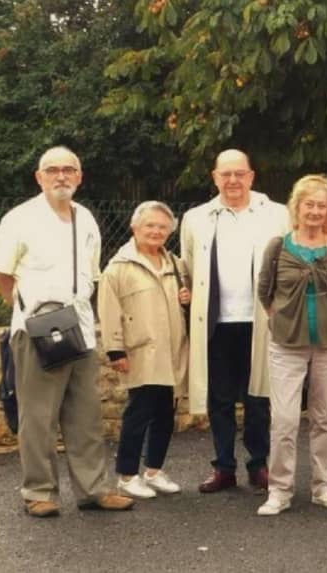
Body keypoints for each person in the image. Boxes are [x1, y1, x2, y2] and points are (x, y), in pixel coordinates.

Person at [0, 146, 134, 517]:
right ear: (39, 177)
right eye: (52, 170)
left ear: (80, 176)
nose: (61, 176)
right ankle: (39, 492)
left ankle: (94, 489)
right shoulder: (19, 219)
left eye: (69, 170)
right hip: (37, 329)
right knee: (37, 415)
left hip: (80, 328)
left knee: (85, 414)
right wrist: (26, 315)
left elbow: (91, 273)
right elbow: (2, 275)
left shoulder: (85, 218)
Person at [181, 149, 289, 493]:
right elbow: (188, 266)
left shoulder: (276, 214)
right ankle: (223, 467)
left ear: (251, 176)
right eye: (225, 174)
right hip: (216, 322)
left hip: (260, 320)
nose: (232, 181)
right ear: (215, 177)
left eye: (239, 174)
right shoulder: (196, 218)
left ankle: (259, 465)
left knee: (259, 397)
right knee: (220, 399)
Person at [254, 175, 327, 515]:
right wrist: (283, 318)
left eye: (321, 205)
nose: (314, 211)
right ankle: (279, 490)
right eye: (308, 204)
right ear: (297, 207)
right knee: (284, 419)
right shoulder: (279, 246)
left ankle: (323, 486)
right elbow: (265, 291)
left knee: (324, 417)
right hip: (286, 344)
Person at [99, 201, 190, 499]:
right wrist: (115, 350)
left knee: (166, 412)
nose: (156, 231)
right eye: (150, 225)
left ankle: (154, 470)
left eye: (162, 227)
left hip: (172, 350)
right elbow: (109, 311)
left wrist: (187, 298)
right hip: (141, 351)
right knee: (138, 412)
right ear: (134, 227)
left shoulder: (176, 264)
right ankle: (127, 475)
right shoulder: (118, 268)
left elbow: (188, 302)